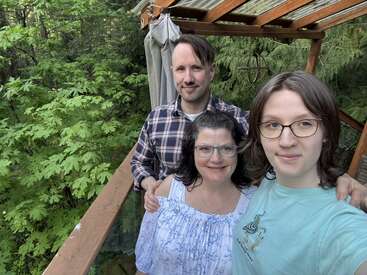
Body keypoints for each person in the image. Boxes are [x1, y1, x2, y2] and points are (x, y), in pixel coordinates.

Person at [131, 33, 367, 212]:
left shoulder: (239, 120)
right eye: (181, 69)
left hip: (227, 219)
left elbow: (279, 159)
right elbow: (140, 162)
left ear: (211, 71)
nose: (188, 78)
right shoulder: (156, 118)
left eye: (196, 68)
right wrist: (150, 184)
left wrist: (334, 177)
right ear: (172, 72)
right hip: (170, 214)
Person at [232, 71, 367, 275]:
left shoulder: (341, 223)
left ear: (326, 132)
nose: (286, 141)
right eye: (273, 124)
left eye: (305, 123)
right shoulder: (272, 176)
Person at [135, 111, 256, 275]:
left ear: (238, 152)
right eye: (205, 149)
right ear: (192, 152)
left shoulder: (255, 204)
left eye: (226, 148)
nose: (216, 159)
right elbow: (145, 261)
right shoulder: (169, 190)